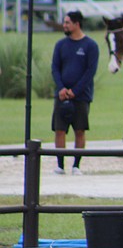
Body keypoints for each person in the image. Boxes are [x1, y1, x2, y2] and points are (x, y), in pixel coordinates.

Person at [51, 10, 99, 175]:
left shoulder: (90, 46)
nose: (64, 25)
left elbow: (90, 72)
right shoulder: (60, 45)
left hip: (81, 97)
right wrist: (61, 88)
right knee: (59, 129)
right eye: (64, 22)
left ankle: (76, 165)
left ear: (77, 24)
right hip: (61, 95)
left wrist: (75, 91)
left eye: (67, 23)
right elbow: (55, 68)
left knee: (79, 129)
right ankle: (60, 164)